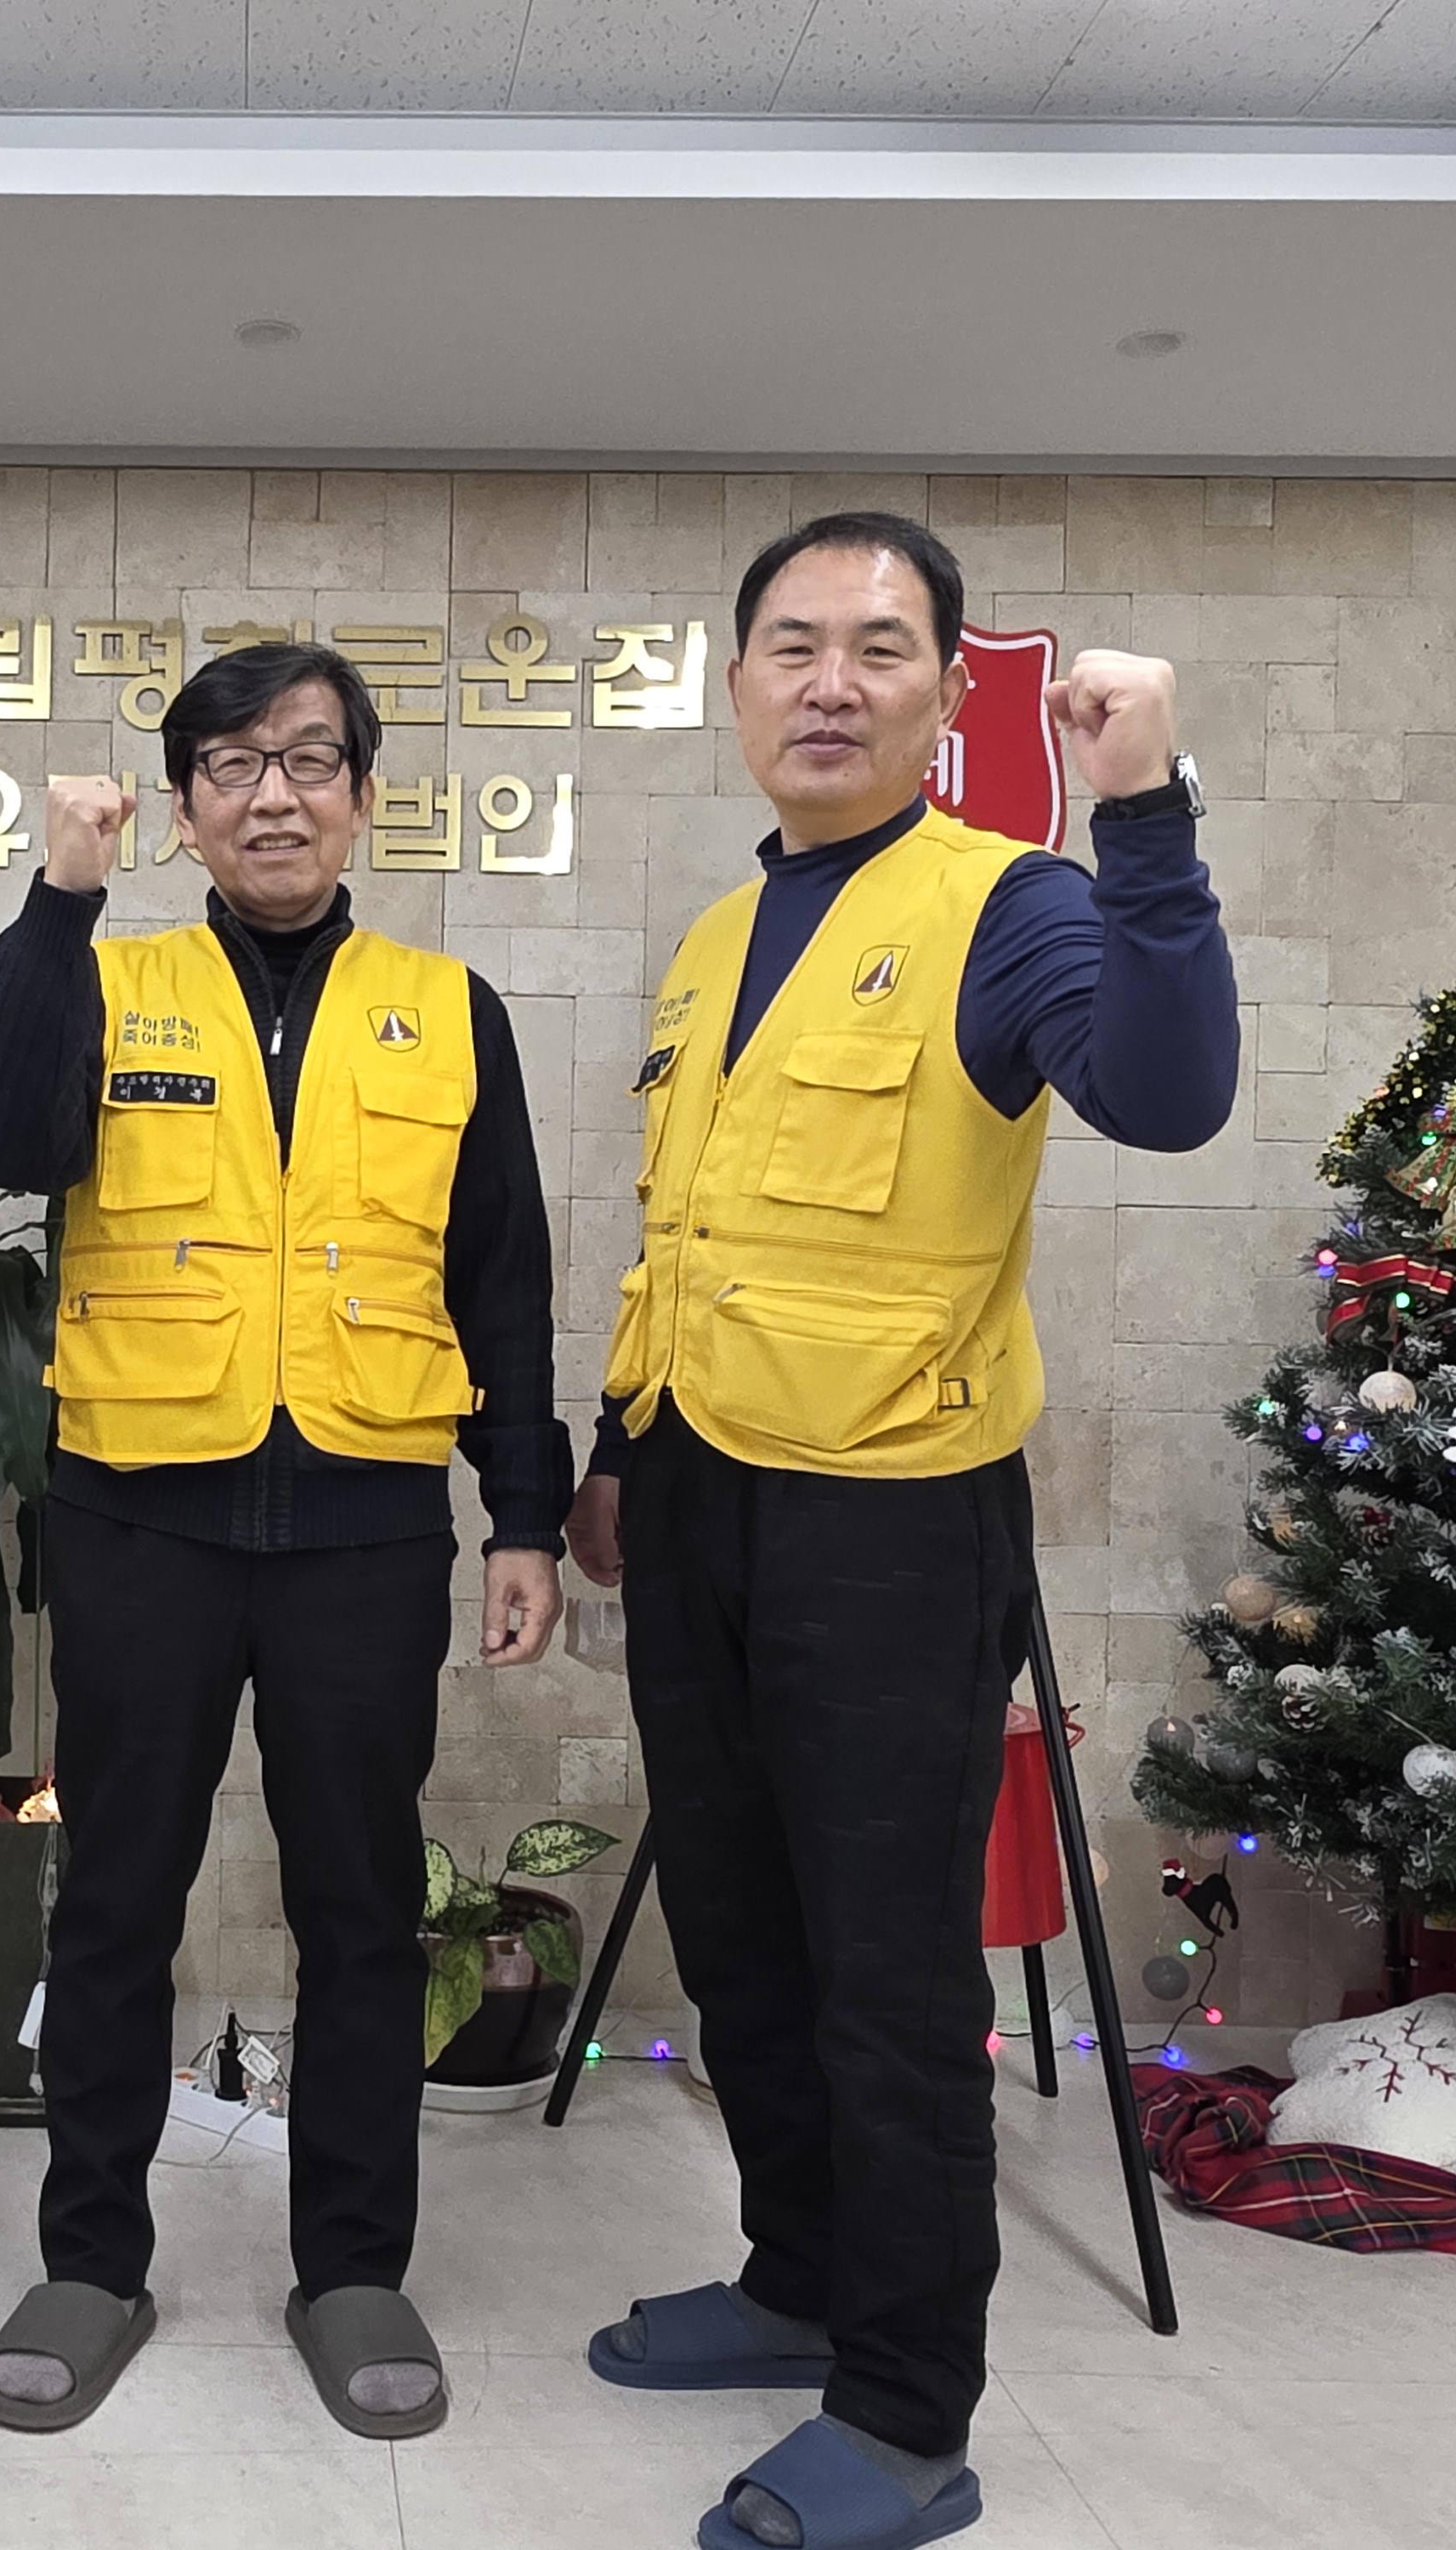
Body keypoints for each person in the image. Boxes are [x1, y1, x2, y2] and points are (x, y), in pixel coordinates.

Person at [568, 513, 1237, 2550]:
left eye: (876, 647)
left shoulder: (1008, 905)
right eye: (789, 644)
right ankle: (794, 2279)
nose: (827, 681)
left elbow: (1167, 1094)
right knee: (738, 1935)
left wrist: (1143, 814)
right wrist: (610, 1456)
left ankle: (901, 2405)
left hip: (887, 1517)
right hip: (693, 1492)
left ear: (947, 693)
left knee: (881, 1973)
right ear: (734, 687)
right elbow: (689, 1234)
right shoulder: (717, 937)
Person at [0, 643, 573, 2440]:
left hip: (363, 1525)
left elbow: (501, 1279)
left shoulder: (448, 1011)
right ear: (183, 807)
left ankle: (352, 2267)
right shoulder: (106, 977)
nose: (272, 794)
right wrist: (58, 901)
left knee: (360, 1912)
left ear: (363, 796)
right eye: (231, 764)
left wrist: (521, 1514)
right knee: (114, 1900)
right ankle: (91, 2262)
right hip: (140, 1514)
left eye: (307, 760)